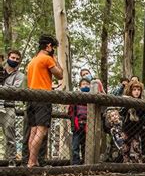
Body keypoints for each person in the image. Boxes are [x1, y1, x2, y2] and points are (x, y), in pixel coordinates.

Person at [26, 34, 63, 167]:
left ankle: (32, 160)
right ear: (48, 46)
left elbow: (37, 79)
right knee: (41, 131)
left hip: (31, 98)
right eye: (53, 47)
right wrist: (56, 59)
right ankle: (31, 162)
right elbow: (60, 74)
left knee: (34, 131)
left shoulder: (32, 61)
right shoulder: (47, 59)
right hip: (42, 98)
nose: (53, 49)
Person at [0, 50, 25, 166]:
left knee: (10, 135)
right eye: (13, 57)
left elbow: (13, 91)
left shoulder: (20, 76)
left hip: (8, 107)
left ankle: (11, 162)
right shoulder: (1, 71)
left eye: (17, 59)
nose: (14, 60)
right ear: (8, 57)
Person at [121, 80, 145, 163]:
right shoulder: (127, 101)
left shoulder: (142, 103)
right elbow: (122, 113)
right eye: (134, 90)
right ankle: (125, 165)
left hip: (137, 130)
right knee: (125, 149)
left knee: (136, 149)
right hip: (127, 129)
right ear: (130, 91)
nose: (137, 92)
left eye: (138, 90)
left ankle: (137, 166)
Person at [68, 78, 90, 165]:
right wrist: (74, 121)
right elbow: (71, 111)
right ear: (80, 86)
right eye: (83, 84)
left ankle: (86, 162)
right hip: (77, 126)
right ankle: (75, 163)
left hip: (87, 126)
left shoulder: (92, 97)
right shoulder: (76, 97)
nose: (85, 85)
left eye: (87, 84)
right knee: (75, 146)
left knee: (86, 146)